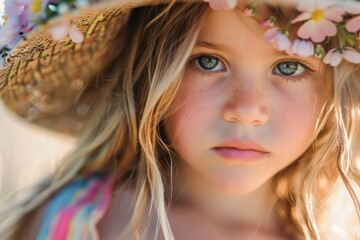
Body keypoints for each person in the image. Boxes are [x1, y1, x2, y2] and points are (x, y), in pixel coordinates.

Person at [0, 0, 359, 239]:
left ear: (335, 90)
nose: (247, 109)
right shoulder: (79, 220)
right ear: (152, 72)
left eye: (289, 67)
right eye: (207, 62)